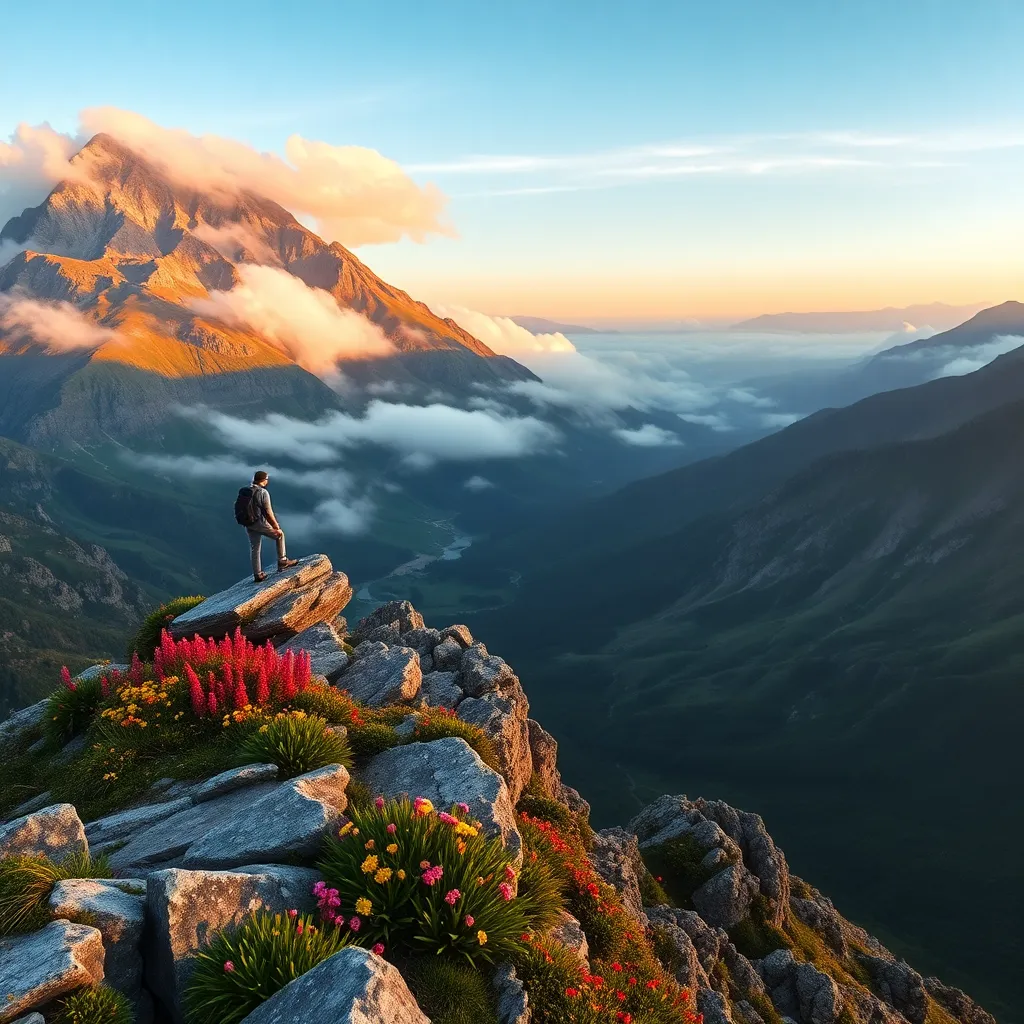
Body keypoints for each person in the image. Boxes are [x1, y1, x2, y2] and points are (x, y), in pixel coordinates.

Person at [246, 470, 298, 582]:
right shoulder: (263, 493)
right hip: (260, 523)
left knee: (255, 548)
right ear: (264, 480)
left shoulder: (248, 491)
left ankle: (257, 574)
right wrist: (275, 525)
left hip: (249, 523)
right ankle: (282, 561)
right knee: (279, 535)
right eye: (266, 479)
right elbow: (268, 512)